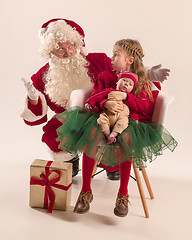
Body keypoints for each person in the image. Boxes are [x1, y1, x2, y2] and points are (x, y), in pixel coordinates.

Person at [21, 18, 170, 180]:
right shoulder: (41, 75)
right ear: (50, 51)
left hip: (103, 110)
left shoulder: (97, 60)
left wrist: (147, 74)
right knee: (52, 132)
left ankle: (112, 164)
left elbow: (124, 74)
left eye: (71, 46)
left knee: (112, 128)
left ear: (77, 45)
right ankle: (70, 161)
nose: (68, 53)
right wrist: (34, 98)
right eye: (60, 49)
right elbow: (37, 115)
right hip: (69, 116)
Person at [60, 38, 177, 217]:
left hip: (130, 123)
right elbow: (95, 97)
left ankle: (123, 194)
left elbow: (147, 107)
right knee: (91, 134)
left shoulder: (142, 82)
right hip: (103, 118)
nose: (111, 58)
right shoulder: (106, 76)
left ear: (130, 60)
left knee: (127, 139)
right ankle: (86, 191)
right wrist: (106, 103)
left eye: (116, 55)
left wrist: (126, 96)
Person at [87, 70, 138, 144]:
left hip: (121, 116)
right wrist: (89, 102)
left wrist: (135, 119)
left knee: (123, 123)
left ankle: (113, 134)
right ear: (117, 82)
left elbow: (134, 108)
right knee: (101, 120)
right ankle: (107, 134)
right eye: (124, 80)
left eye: (130, 84)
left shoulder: (129, 97)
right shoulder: (110, 91)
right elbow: (97, 96)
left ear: (132, 89)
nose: (126, 84)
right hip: (107, 114)